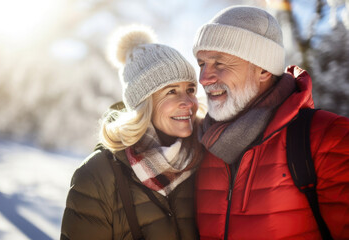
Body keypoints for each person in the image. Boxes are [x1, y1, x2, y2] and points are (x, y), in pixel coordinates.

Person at [192, 5, 349, 240]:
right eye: (201, 64)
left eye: (219, 63)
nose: (203, 78)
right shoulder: (198, 146)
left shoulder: (327, 137)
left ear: (264, 69)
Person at [60, 25, 204, 240]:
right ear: (143, 103)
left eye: (190, 89)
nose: (188, 102)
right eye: (171, 91)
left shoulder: (209, 159)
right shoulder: (97, 175)